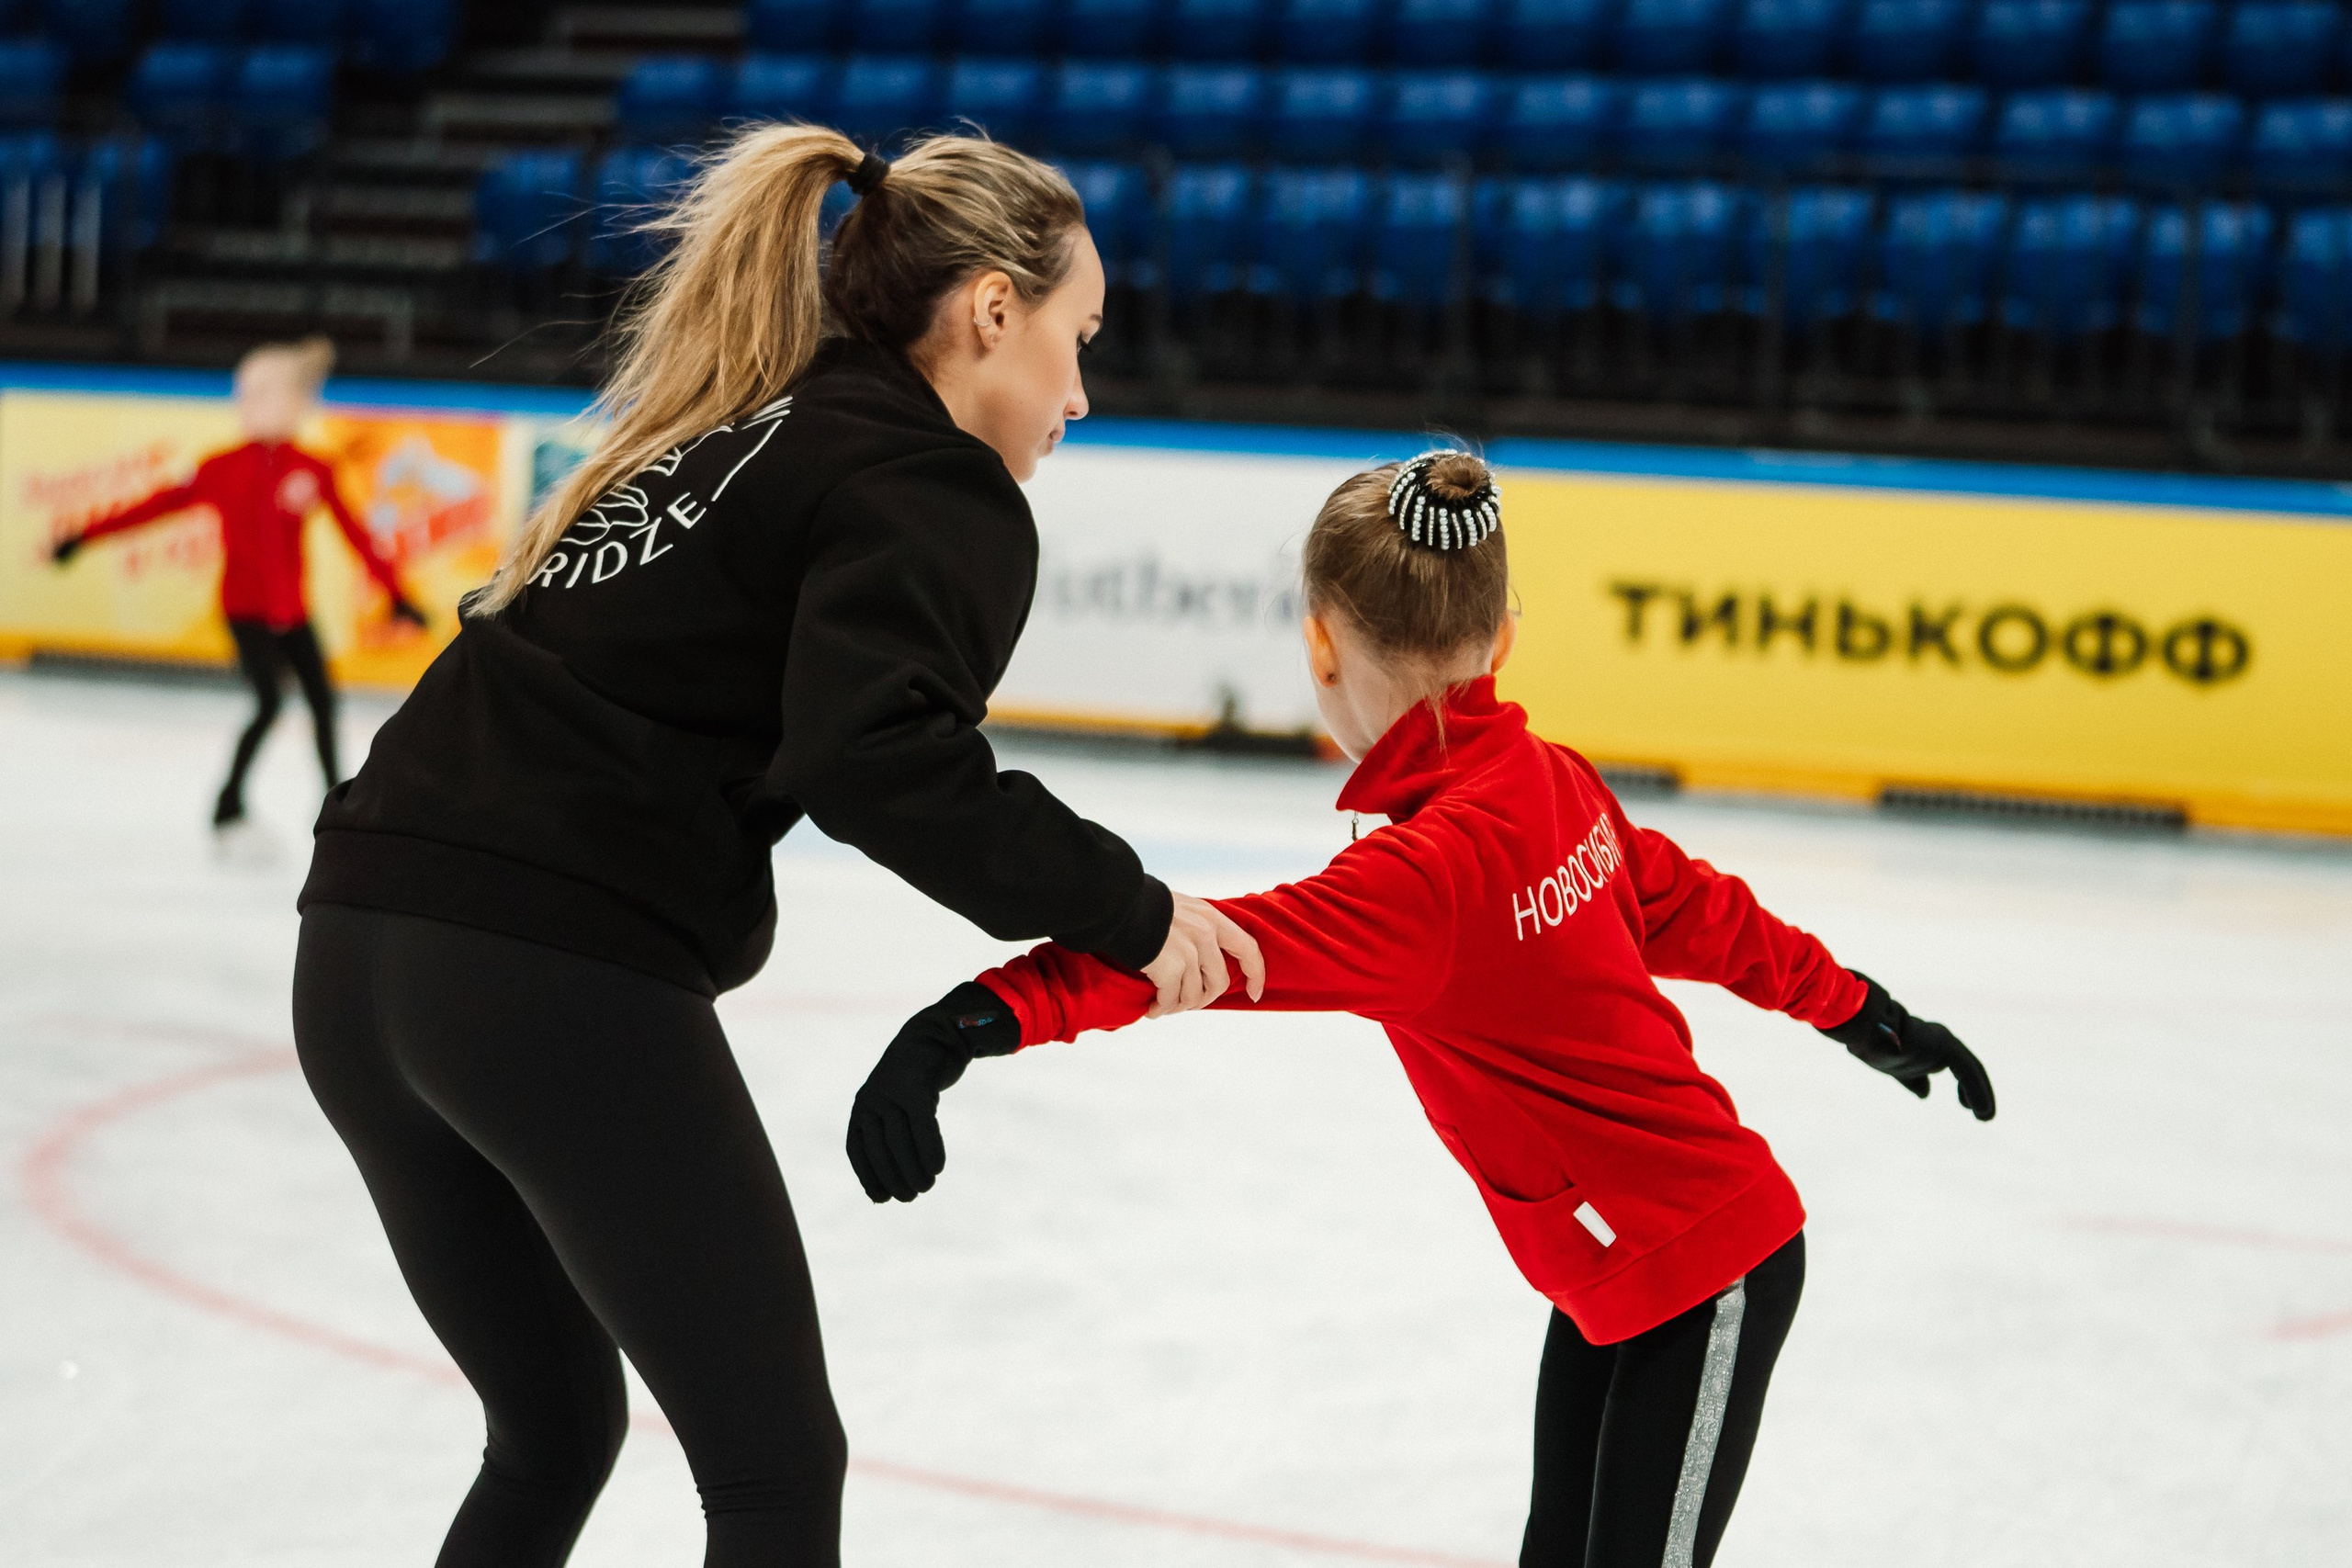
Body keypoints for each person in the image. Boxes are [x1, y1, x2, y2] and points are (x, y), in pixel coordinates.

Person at [288, 127, 1264, 1568]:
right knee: (773, 1467)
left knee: (556, 1426)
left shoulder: (742, 416)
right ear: (993, 308)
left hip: (358, 944)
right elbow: (879, 758)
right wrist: (1127, 907)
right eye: (1078, 336)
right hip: (540, 963)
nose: (1081, 390)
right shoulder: (931, 480)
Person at [847, 451, 1996, 1568]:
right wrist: (1864, 1015)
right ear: (1500, 637)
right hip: (1618, 1268)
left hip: (1712, 1268)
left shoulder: (1425, 879)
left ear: (1320, 644)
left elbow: (1183, 959)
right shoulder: (1547, 778)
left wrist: (967, 1024)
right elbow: (1708, 914)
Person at [51, 335, 425, 829]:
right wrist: (84, 535)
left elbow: (356, 534)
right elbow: (154, 507)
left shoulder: (312, 468)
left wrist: (398, 595)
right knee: (269, 704)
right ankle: (230, 800)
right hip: (245, 610)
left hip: (291, 610)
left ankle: (339, 802)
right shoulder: (220, 467)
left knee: (321, 701)